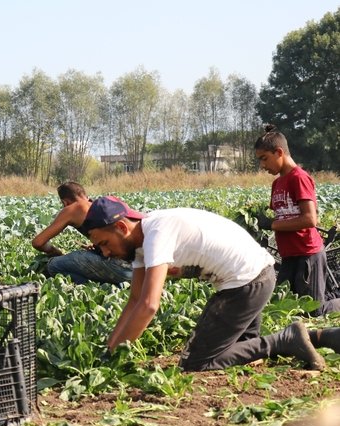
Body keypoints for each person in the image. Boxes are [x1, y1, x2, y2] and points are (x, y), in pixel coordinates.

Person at [83, 196, 340, 372]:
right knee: (243, 354)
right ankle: (320, 337)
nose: (105, 253)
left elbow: (149, 305)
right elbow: (135, 300)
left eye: (104, 243)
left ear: (121, 226)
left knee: (196, 363)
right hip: (255, 277)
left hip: (246, 284)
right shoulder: (141, 245)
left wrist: (114, 361)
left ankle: (285, 339)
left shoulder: (156, 234)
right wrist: (110, 349)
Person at [255, 124, 340, 316]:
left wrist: (272, 224)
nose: (262, 165)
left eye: (264, 159)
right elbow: (285, 215)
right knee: (288, 308)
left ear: (279, 152)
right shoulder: (277, 183)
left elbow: (310, 219)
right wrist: (260, 219)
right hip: (289, 255)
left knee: (313, 310)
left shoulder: (299, 178)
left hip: (307, 254)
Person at [31, 181, 142, 285]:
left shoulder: (73, 209)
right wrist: (99, 247)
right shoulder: (103, 205)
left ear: (65, 202)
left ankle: (98, 287)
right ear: (84, 194)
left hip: (126, 270)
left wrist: (57, 252)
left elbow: (38, 242)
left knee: (54, 265)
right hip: (145, 266)